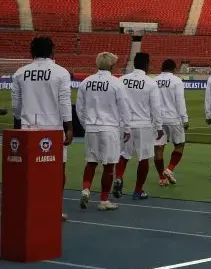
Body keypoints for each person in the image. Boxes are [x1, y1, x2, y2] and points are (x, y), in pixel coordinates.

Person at [11, 36, 73, 221]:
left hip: (27, 126)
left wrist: (18, 124)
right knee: (57, 171)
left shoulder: (20, 73)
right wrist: (69, 127)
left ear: (32, 52)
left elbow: (16, 105)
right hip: (52, 127)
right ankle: (55, 208)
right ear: (52, 51)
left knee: (28, 171)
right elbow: (64, 102)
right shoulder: (61, 72)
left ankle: (29, 207)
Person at [76, 52, 130, 211]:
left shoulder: (86, 82)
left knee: (91, 162)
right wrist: (126, 128)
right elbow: (124, 108)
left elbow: (80, 108)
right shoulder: (116, 83)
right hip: (110, 128)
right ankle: (104, 200)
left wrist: (86, 125)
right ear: (112, 66)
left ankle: (86, 190)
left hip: (92, 127)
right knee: (109, 166)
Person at [114, 52, 164, 200]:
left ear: (134, 64)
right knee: (144, 158)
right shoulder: (150, 82)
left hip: (125, 124)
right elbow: (156, 108)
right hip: (143, 124)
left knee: (123, 155)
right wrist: (159, 127)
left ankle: (119, 177)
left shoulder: (121, 80)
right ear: (147, 65)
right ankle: (138, 190)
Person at [154, 59, 189, 186]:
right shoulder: (176, 81)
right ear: (174, 69)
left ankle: (162, 178)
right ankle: (169, 169)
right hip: (173, 118)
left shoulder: (154, 80)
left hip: (158, 120)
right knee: (179, 145)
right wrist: (184, 119)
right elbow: (180, 101)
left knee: (158, 148)